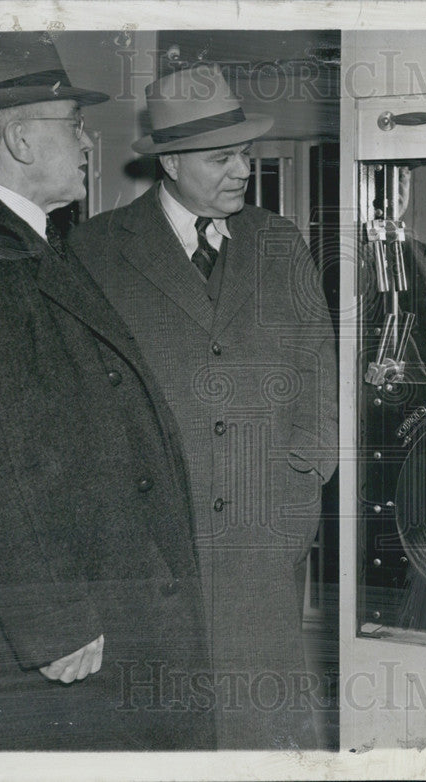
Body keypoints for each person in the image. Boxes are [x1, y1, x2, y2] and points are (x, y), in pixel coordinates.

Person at [0, 32, 214, 750]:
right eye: (72, 127)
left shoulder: (20, 240)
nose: (87, 145)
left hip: (99, 596)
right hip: (68, 634)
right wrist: (54, 621)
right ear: (21, 141)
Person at [68, 64, 338, 749]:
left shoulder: (280, 244)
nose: (243, 171)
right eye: (223, 158)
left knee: (262, 727)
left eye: (245, 154)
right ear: (171, 161)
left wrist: (303, 481)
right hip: (158, 551)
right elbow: (85, 399)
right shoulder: (95, 250)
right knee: (170, 729)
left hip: (263, 541)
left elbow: (316, 371)